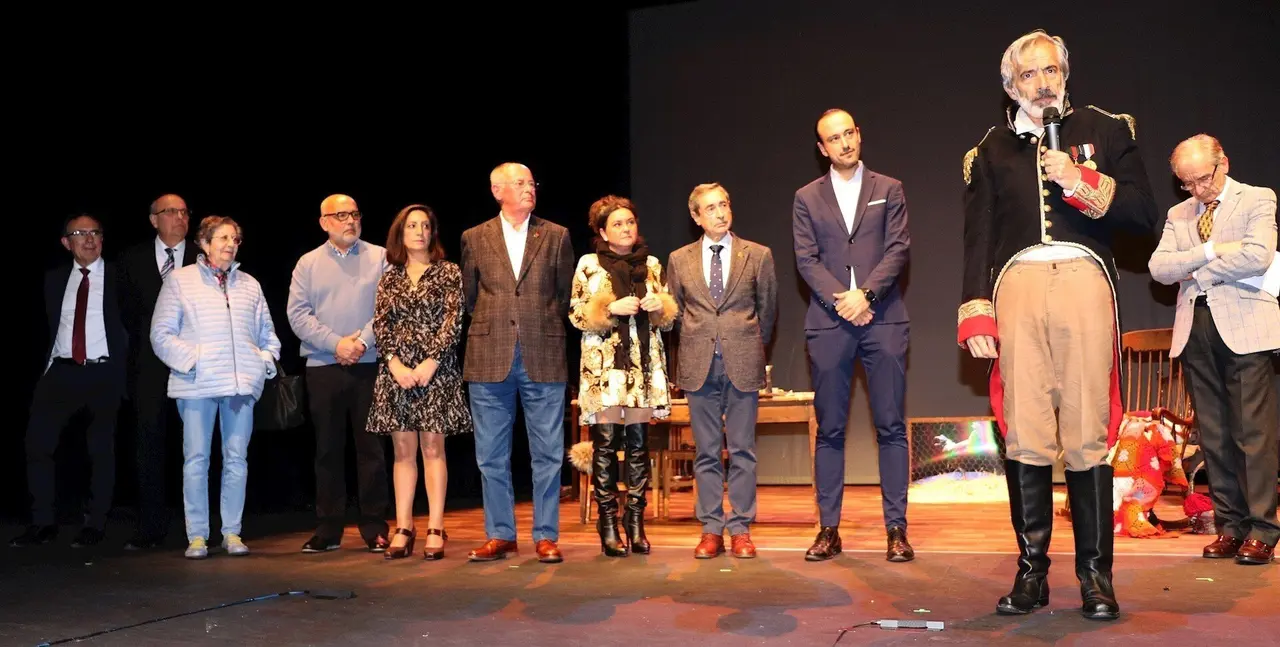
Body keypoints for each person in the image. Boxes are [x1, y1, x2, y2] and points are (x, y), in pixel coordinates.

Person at [957, 30, 1158, 619]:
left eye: (1051, 71)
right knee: (1025, 432)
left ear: (1066, 74)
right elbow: (978, 237)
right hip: (1016, 286)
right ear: (1010, 86)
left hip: (1083, 280)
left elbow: (1143, 214)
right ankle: (1032, 574)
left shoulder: (1108, 128)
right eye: (1029, 74)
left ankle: (1096, 578)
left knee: (1088, 429)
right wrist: (976, 310)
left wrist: (1078, 180)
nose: (1042, 83)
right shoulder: (988, 149)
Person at [1148, 134, 1279, 566]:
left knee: (1251, 433)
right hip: (1195, 329)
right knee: (1215, 435)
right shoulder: (1178, 213)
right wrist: (1210, 250)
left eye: (1202, 179)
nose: (1197, 190)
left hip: (1246, 327)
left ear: (1224, 163)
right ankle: (1230, 526)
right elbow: (1159, 268)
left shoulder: (1257, 198)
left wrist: (1199, 272)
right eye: (1186, 183)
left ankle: (1262, 529)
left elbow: (1258, 255)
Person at [792, 108, 914, 562]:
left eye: (849, 134)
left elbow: (898, 249)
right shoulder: (806, 197)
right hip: (829, 323)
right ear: (822, 148)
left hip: (883, 318)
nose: (844, 143)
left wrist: (866, 295)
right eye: (833, 138)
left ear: (858, 135)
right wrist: (843, 301)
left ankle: (897, 530)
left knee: (891, 426)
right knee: (830, 429)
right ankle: (829, 529)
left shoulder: (889, 188)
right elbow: (806, 260)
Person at [461, 162, 575, 563]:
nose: (529, 188)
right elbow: (471, 298)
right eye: (520, 183)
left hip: (543, 353)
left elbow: (564, 296)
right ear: (497, 190)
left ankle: (545, 536)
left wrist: (534, 324)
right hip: (489, 355)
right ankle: (500, 534)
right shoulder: (474, 237)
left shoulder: (556, 235)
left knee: (548, 453)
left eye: (531, 183)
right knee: (491, 454)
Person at [151, 216, 282, 559]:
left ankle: (232, 532)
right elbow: (161, 335)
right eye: (223, 238)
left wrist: (262, 362)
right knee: (196, 460)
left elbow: (268, 335)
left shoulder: (249, 285)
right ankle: (197, 535)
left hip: (240, 387)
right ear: (204, 243)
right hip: (198, 385)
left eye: (235, 239)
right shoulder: (180, 281)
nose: (230, 244)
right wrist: (194, 361)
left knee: (237, 459)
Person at [666, 183, 777, 559]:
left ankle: (741, 528)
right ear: (696, 216)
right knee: (706, 452)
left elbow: (768, 312)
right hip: (698, 364)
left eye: (724, 205)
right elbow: (675, 313)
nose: (720, 213)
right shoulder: (679, 259)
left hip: (742, 361)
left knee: (743, 450)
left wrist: (748, 345)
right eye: (711, 208)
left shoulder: (757, 255)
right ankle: (711, 528)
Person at [10, 214, 127, 549]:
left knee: (100, 450)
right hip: (61, 370)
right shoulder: (54, 279)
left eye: (95, 233)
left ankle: (95, 523)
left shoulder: (120, 277)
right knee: (37, 445)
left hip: (103, 371)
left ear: (102, 239)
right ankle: (43, 523)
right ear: (66, 242)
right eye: (79, 233)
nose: (88, 239)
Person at [568, 195, 677, 557]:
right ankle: (608, 523)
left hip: (642, 366)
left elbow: (668, 320)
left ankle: (636, 522)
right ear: (602, 231)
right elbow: (575, 314)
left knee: (638, 446)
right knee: (605, 446)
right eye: (617, 223)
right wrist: (609, 307)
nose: (626, 228)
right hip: (604, 369)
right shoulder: (589, 265)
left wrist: (660, 307)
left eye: (630, 222)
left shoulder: (652, 265)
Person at [366, 204, 473, 560]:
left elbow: (453, 320)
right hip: (397, 373)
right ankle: (404, 526)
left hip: (436, 371)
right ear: (400, 233)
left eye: (425, 226)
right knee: (402, 451)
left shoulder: (448, 272)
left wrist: (431, 361)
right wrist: (394, 364)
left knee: (433, 448)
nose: (419, 232)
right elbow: (382, 323)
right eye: (412, 226)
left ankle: (436, 527)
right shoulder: (390, 277)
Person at [287, 194, 392, 554]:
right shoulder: (308, 263)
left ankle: (375, 526)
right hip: (324, 366)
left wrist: (360, 342)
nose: (350, 221)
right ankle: (328, 528)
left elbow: (388, 308)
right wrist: (337, 344)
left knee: (372, 450)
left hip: (369, 363)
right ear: (324, 222)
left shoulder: (381, 257)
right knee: (327, 450)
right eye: (342, 215)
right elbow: (298, 315)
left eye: (355, 214)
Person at [118, 193, 198, 550]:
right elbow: (123, 313)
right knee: (149, 443)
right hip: (147, 366)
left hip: (194, 364)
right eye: (171, 212)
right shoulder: (130, 259)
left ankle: (198, 526)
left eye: (184, 212)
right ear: (154, 220)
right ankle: (151, 526)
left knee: (196, 445)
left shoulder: (203, 256)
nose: (180, 217)